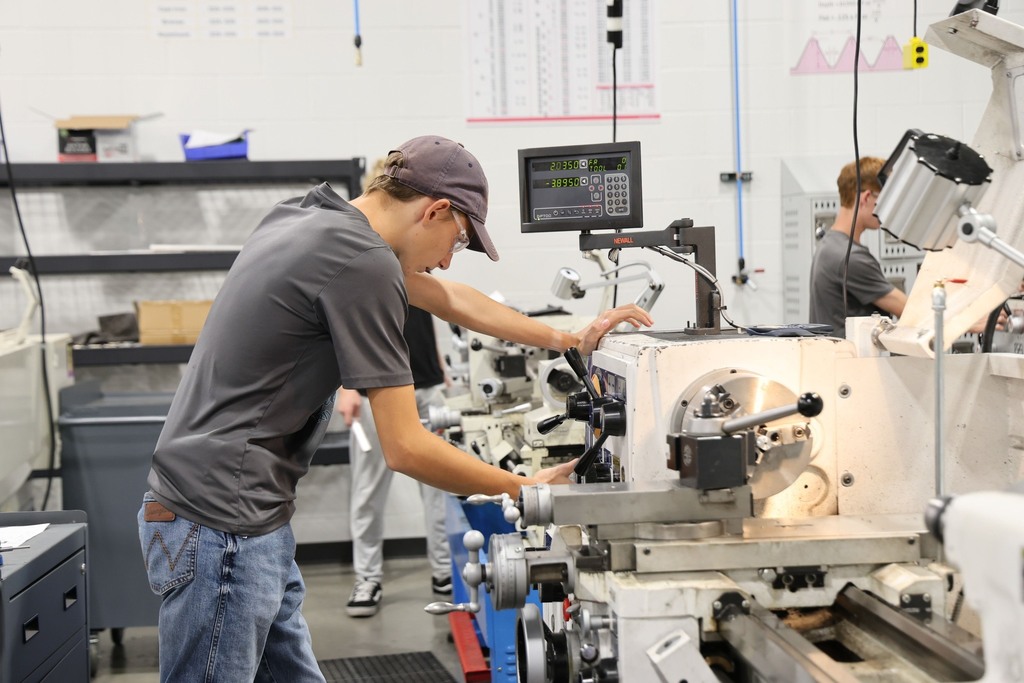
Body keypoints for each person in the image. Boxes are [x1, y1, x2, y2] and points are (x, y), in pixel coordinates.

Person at [138, 134, 652, 682]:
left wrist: (567, 340)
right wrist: (527, 490)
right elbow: (405, 449)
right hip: (222, 529)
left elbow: (448, 298)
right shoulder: (363, 262)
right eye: (456, 240)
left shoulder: (308, 218)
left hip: (238, 519)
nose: (449, 258)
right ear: (434, 210)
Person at [337, 305, 452, 617]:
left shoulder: (426, 263)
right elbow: (343, 325)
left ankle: (444, 571)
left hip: (427, 388)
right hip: (374, 391)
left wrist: (440, 370)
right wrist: (345, 386)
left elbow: (424, 324)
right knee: (367, 493)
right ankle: (367, 578)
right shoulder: (366, 265)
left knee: (438, 489)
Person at [809, 156, 907, 337]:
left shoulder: (829, 246)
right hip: (851, 363)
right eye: (886, 200)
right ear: (867, 197)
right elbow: (909, 311)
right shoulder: (851, 258)